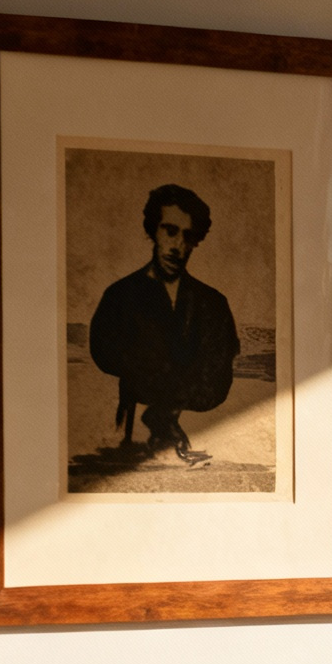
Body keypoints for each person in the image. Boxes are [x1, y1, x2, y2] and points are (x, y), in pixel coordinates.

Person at [86, 184, 239, 465]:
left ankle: (163, 422)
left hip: (197, 410)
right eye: (170, 231)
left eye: (188, 236)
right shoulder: (120, 296)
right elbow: (103, 352)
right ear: (153, 230)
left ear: (195, 241)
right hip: (133, 417)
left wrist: (166, 399)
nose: (177, 246)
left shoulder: (213, 303)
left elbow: (218, 375)